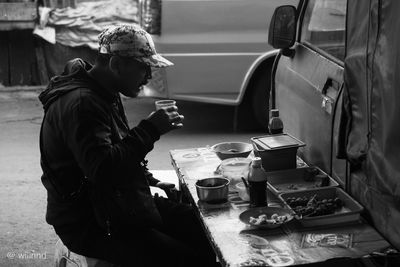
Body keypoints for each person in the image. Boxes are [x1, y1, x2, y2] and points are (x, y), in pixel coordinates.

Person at [38, 24, 217, 267]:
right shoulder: (83, 104)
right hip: (91, 222)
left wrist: (152, 181)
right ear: (116, 65)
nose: (149, 76)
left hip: (118, 204)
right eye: (143, 67)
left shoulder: (103, 92)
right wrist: (151, 129)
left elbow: (115, 149)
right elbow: (102, 169)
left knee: (205, 228)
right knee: (190, 260)